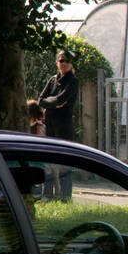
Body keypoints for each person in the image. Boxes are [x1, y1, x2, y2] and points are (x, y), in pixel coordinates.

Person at [38, 49, 79, 199]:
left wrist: (51, 102)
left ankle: (65, 196)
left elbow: (62, 99)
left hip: (64, 125)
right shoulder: (52, 80)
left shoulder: (73, 81)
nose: (63, 63)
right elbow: (40, 100)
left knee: (64, 162)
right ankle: (47, 195)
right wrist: (54, 103)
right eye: (61, 60)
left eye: (66, 61)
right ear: (56, 62)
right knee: (49, 161)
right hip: (50, 124)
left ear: (71, 64)